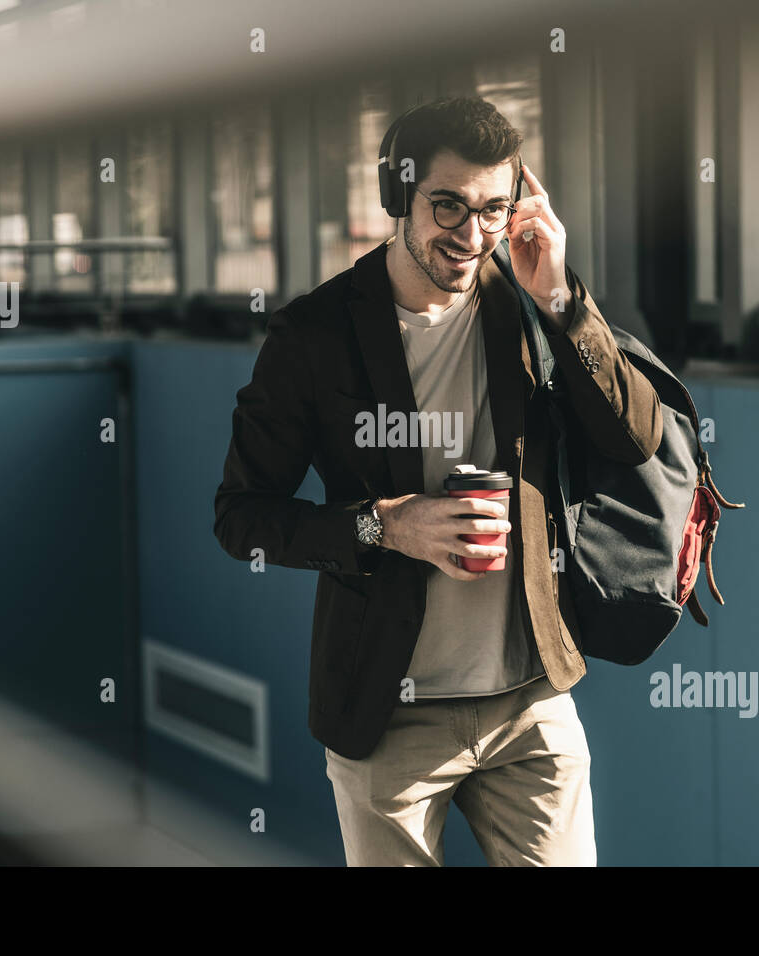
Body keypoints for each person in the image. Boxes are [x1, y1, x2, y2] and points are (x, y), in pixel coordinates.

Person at [213, 96, 662, 865]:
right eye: (447, 205)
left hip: (530, 699)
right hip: (387, 712)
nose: (472, 233)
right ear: (398, 198)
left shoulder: (530, 306)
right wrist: (382, 525)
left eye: (493, 208)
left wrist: (558, 294)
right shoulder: (313, 337)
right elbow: (242, 518)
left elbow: (636, 434)